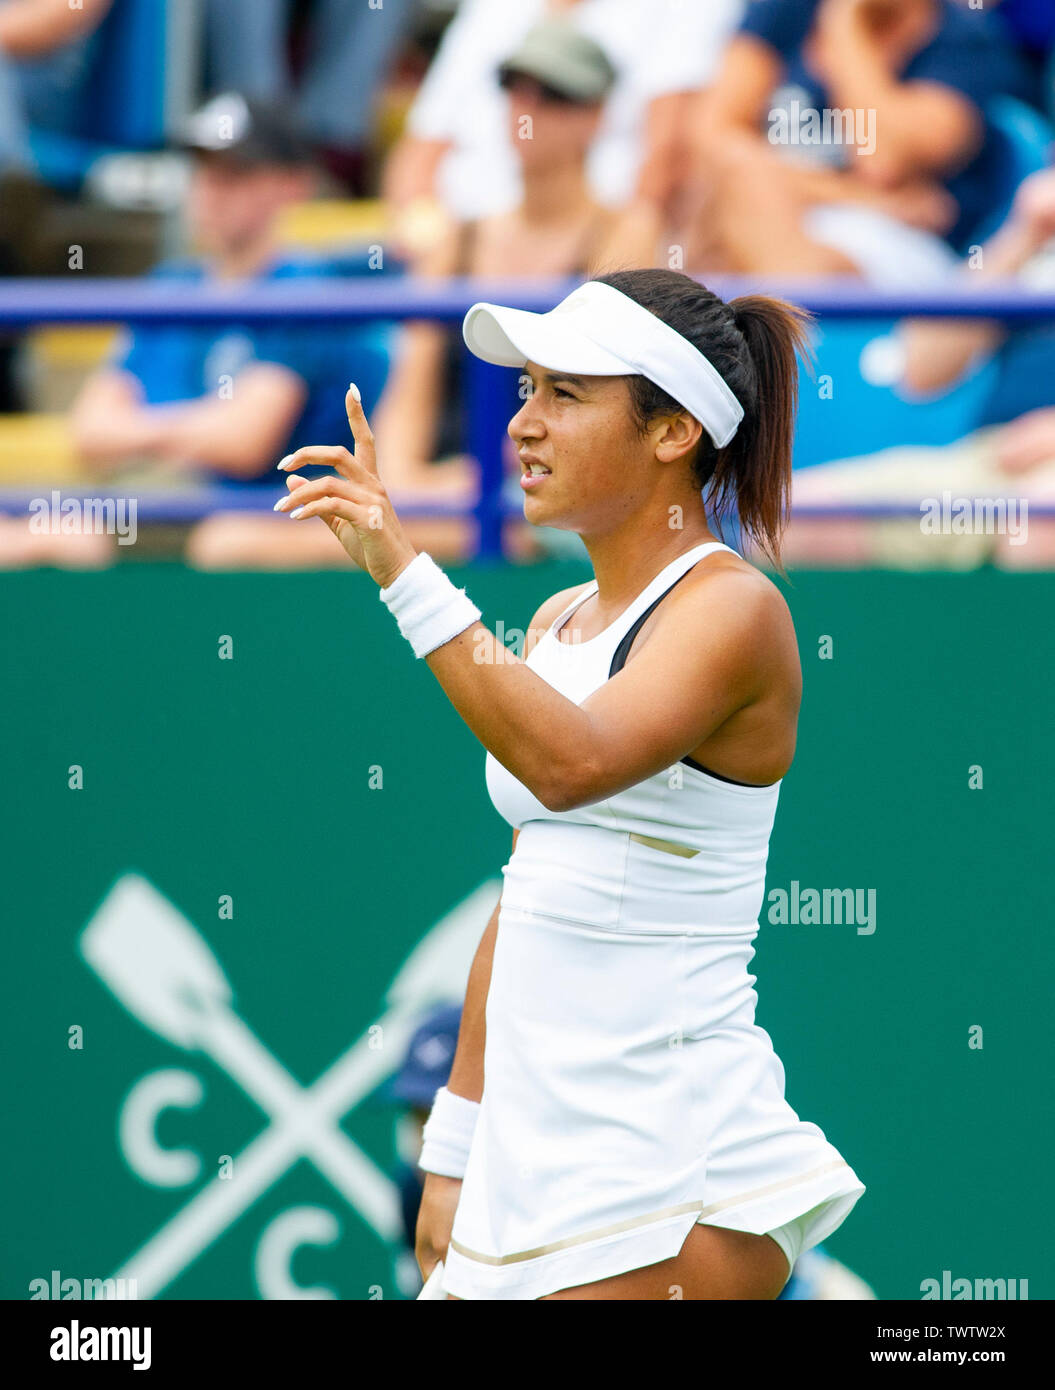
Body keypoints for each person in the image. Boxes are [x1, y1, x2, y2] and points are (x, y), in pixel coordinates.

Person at [269, 267, 867, 1299]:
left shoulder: (733, 611)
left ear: (672, 431)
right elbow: (524, 899)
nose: (523, 424)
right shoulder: (552, 622)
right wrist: (453, 1148)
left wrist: (401, 569)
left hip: (678, 1166)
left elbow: (569, 764)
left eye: (566, 394)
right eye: (525, 391)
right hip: (531, 1163)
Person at [21, 91, 392, 570]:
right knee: (40, 528)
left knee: (77, 538)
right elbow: (90, 432)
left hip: (258, 522)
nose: (211, 190)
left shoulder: (304, 290)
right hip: (156, 509)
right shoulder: (171, 285)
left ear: (292, 184)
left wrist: (144, 435)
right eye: (202, 170)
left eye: (236, 173)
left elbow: (243, 442)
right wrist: (192, 432)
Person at [787, 163, 1055, 569]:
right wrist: (1026, 232)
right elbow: (923, 371)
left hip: (1039, 482)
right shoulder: (1034, 223)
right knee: (792, 520)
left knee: (1040, 524)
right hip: (989, 460)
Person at [694, 0, 1031, 285]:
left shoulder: (962, 39)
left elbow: (882, 161)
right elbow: (714, 140)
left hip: (901, 247)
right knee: (725, 212)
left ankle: (792, 340)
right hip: (786, 215)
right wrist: (858, 196)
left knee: (773, 246)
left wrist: (845, 25)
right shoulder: (783, 11)